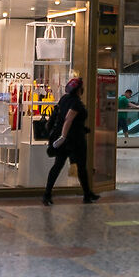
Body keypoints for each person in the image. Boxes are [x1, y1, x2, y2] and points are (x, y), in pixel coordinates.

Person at [41, 73, 95, 205]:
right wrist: (63, 137)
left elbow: (59, 116)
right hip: (74, 140)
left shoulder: (64, 99)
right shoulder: (76, 103)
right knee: (81, 167)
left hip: (65, 140)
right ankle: (87, 195)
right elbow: (68, 120)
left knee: (57, 166)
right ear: (79, 90)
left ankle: (47, 194)